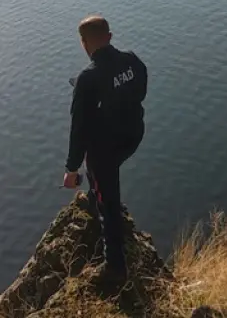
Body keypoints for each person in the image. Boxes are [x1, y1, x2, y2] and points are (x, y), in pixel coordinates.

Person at [64, 15, 148, 285]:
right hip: (133, 135)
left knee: (109, 203)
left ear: (84, 43)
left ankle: (115, 268)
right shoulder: (132, 61)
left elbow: (79, 128)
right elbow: (140, 90)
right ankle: (95, 193)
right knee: (102, 184)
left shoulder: (88, 79)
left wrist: (71, 168)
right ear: (110, 37)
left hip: (105, 149)